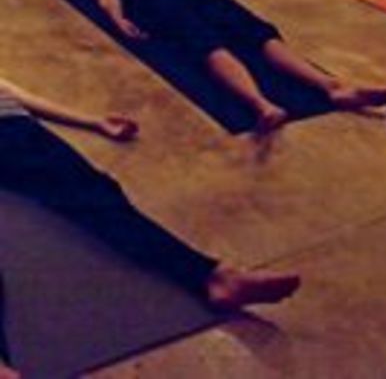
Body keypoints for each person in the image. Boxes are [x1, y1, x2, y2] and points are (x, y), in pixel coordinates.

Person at [0, 74, 302, 371]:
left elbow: (13, 94)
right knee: (93, 195)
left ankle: (212, 276)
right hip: (13, 132)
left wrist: (94, 121)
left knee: (98, 195)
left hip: (14, 128)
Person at [75, 0, 386, 131]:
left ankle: (334, 87)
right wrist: (118, 19)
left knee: (259, 34)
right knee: (207, 44)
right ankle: (261, 105)